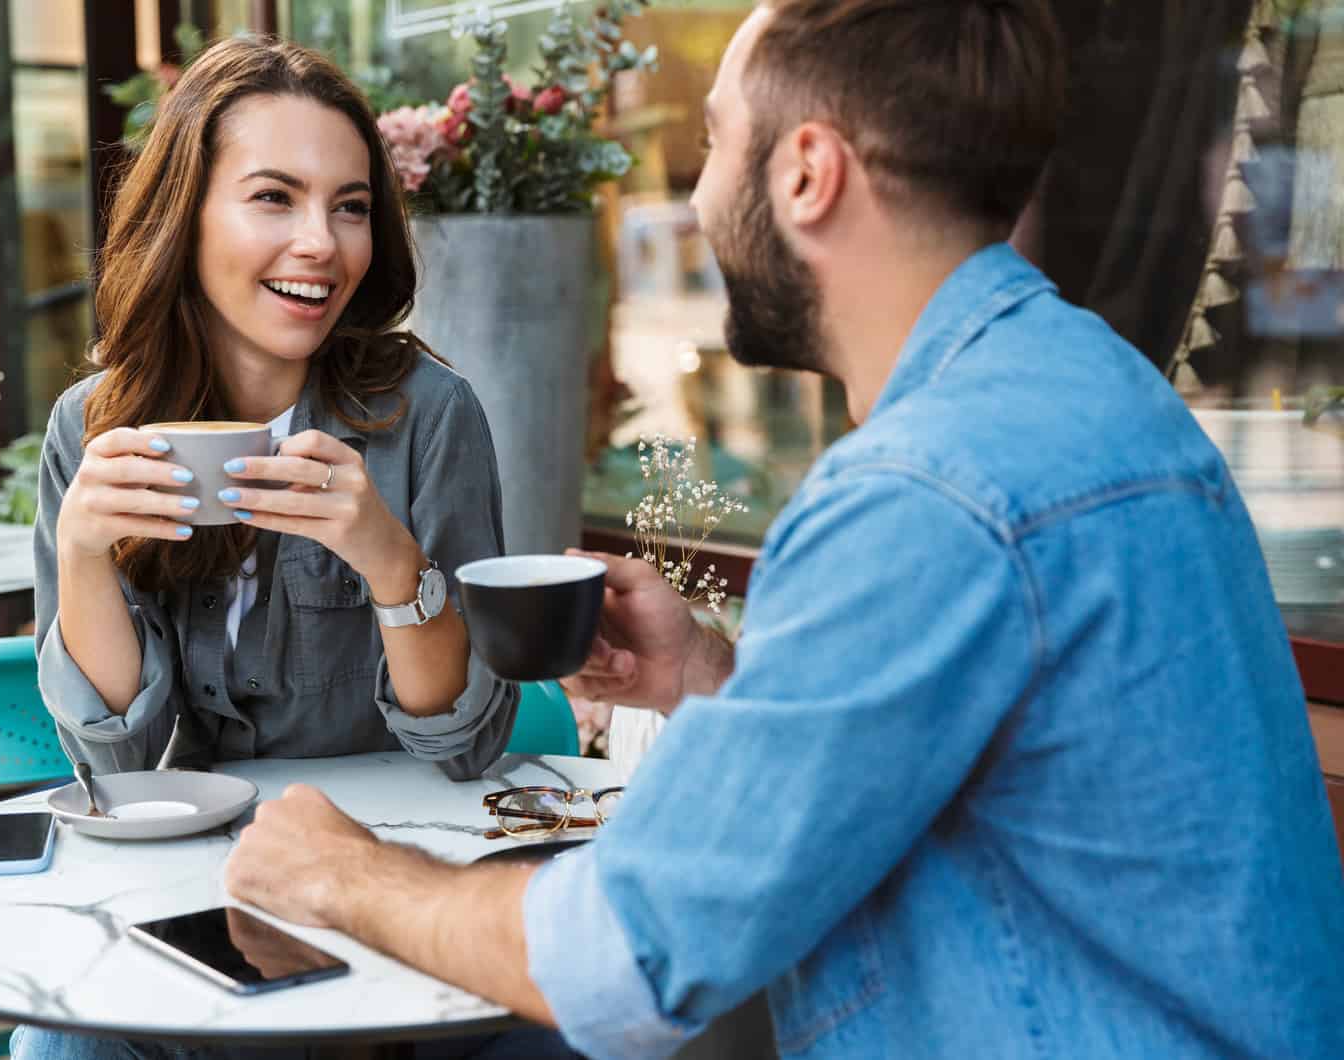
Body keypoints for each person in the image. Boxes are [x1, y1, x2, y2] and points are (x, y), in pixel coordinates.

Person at [223, 2, 1344, 1058]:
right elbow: (959, 774)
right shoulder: (1085, 381)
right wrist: (713, 677)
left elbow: (628, 959)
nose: (699, 199)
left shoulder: (924, 486)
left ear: (805, 173)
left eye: (714, 143)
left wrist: (344, 874)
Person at [20, 35, 561, 1060]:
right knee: (66, 1044)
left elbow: (464, 746)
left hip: (405, 868)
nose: (322, 241)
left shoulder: (427, 415)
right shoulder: (93, 429)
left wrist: (392, 562)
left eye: (349, 205)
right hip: (208, 881)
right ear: (188, 217)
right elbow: (118, 760)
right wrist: (86, 553)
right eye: (274, 197)